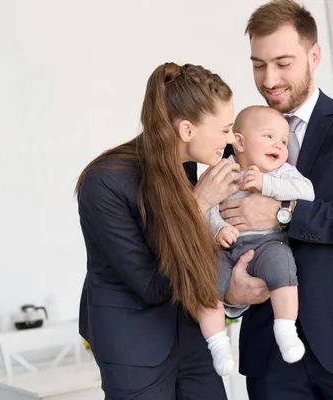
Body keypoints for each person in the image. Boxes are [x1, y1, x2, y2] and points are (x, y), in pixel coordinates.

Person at [220, 1, 333, 399]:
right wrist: (229, 296)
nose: (269, 79)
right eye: (258, 64)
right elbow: (215, 230)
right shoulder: (235, 142)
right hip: (270, 356)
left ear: (314, 55)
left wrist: (284, 213)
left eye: (283, 62)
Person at [75, 62, 251, 399]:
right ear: (187, 130)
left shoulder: (185, 165)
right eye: (225, 129)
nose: (231, 139)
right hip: (133, 346)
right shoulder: (104, 182)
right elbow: (152, 285)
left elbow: (197, 251)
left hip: (191, 334)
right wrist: (196, 207)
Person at [198, 105, 315, 376]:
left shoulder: (282, 172)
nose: (279, 145)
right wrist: (217, 229)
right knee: (206, 286)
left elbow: (307, 193)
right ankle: (218, 343)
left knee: (283, 268)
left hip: (268, 244)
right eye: (269, 136)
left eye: (284, 141)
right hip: (226, 247)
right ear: (238, 141)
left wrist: (266, 184)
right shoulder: (222, 171)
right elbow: (207, 208)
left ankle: (285, 328)